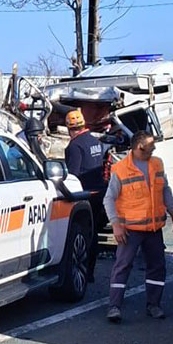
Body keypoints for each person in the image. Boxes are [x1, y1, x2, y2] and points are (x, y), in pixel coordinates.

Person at [103, 131, 173, 323]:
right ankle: (114, 307)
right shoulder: (121, 169)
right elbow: (109, 198)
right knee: (122, 266)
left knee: (157, 267)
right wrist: (116, 225)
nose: (154, 148)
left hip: (153, 229)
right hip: (130, 229)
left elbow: (165, 190)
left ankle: (153, 304)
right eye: (151, 145)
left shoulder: (157, 164)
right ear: (139, 147)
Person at [62, 108, 107, 275]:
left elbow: (73, 174)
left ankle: (84, 270)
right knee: (93, 232)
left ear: (68, 128)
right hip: (99, 191)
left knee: (83, 233)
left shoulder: (74, 146)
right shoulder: (95, 142)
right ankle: (90, 270)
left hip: (84, 194)